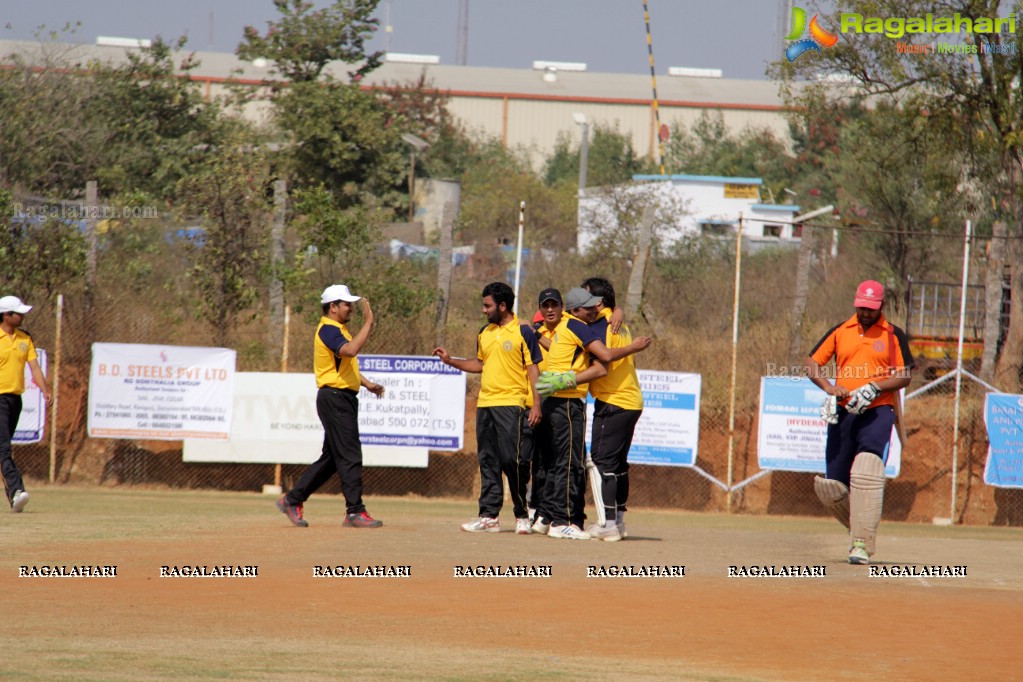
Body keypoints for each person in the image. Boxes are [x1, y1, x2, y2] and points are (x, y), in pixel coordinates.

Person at [803, 280, 914, 564]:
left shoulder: (892, 335)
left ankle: (861, 544)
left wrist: (875, 387)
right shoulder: (841, 331)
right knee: (834, 488)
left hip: (878, 410)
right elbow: (810, 364)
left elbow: (903, 376)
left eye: (871, 308)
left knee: (867, 467)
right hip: (844, 412)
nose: (865, 313)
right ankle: (860, 534)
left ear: (881, 306)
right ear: (855, 303)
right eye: (861, 307)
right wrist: (830, 389)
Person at [535, 287, 651, 540]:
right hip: (567, 402)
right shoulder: (579, 326)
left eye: (595, 305)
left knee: (563, 462)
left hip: (561, 401)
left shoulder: (568, 326)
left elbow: (563, 351)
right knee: (572, 462)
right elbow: (605, 360)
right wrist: (635, 347)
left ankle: (550, 518)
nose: (593, 310)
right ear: (575, 310)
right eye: (587, 307)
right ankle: (563, 522)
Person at [434, 282, 542, 534]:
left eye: (488, 305)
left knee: (512, 460)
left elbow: (533, 369)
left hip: (511, 404)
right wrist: (451, 361)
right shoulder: (484, 332)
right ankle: (488, 516)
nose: (484, 310)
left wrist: (536, 403)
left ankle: (522, 515)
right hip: (486, 404)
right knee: (488, 461)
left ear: (502, 306)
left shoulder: (523, 332)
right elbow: (479, 364)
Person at [276, 284, 386, 529]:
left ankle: (292, 500)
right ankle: (355, 512)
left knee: (333, 459)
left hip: (340, 397)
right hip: (335, 398)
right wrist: (368, 324)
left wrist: (367, 384)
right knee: (350, 454)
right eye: (347, 304)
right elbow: (350, 350)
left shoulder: (338, 329)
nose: (351, 308)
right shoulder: (329, 329)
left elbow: (345, 367)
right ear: (333, 307)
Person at [581, 277, 644, 542]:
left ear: (597, 302)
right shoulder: (620, 323)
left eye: (585, 298)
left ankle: (607, 524)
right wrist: (618, 310)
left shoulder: (598, 326)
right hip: (631, 401)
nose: (581, 303)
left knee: (602, 461)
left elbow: (602, 359)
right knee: (617, 464)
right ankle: (617, 521)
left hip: (614, 401)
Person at [0, 296, 51, 513]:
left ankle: (14, 497)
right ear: (5, 315)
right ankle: (16, 492)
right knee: (3, 449)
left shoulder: (25, 339)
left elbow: (35, 369)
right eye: (18, 313)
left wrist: (45, 389)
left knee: (2, 450)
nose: (22, 316)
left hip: (15, 401)